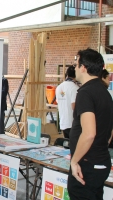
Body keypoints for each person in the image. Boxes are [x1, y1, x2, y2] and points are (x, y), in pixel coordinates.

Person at [67, 48, 113, 199]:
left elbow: (89, 133)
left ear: (83, 68)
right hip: (99, 162)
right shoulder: (104, 92)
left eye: (76, 64)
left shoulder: (85, 93)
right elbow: (109, 129)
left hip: (86, 166)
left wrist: (74, 161)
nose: (74, 68)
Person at [55, 66, 79, 138]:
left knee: (67, 144)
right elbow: (73, 106)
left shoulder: (59, 87)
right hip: (72, 123)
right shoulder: (74, 88)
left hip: (63, 122)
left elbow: (58, 102)